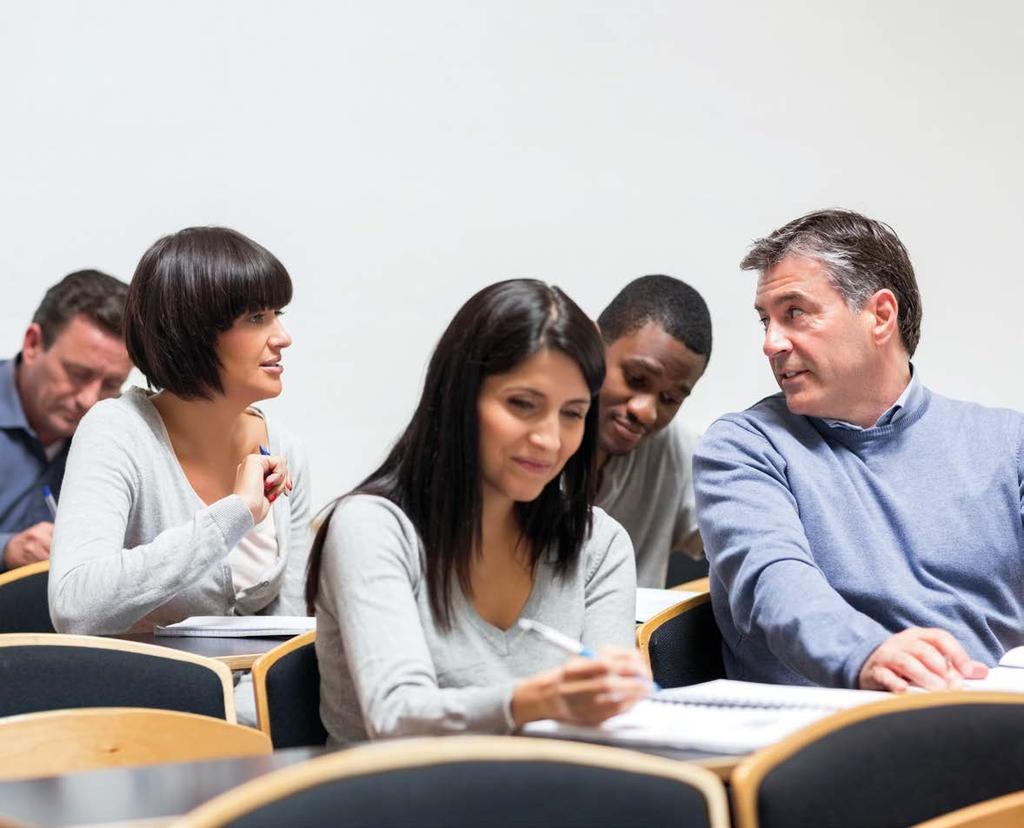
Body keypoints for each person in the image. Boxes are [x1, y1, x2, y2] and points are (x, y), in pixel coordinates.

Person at [306, 279, 649, 745]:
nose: (549, 439)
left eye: (572, 413)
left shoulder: (597, 543)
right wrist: (536, 701)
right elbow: (397, 717)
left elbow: (611, 722)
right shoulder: (373, 527)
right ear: (459, 397)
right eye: (522, 405)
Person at [694, 208, 1019, 692]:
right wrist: (867, 654)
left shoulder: (1008, 445)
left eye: (795, 313)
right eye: (766, 320)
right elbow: (775, 583)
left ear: (880, 316)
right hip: (824, 742)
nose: (770, 343)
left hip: (990, 728)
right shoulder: (743, 447)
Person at [49, 227, 310, 636]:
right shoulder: (116, 431)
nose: (283, 337)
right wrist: (235, 513)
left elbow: (288, 632)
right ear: (193, 333)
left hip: (250, 697)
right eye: (257, 318)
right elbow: (76, 607)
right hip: (144, 695)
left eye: (279, 315)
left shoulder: (284, 448)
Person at [0, 270, 131, 572]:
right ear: (33, 343)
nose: (89, 399)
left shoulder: (117, 434)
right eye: (78, 374)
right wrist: (7, 550)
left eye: (111, 383)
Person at [594, 275, 712, 588]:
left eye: (670, 399)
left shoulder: (676, 452)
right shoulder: (531, 443)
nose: (646, 411)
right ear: (592, 346)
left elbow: (753, 543)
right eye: (636, 378)